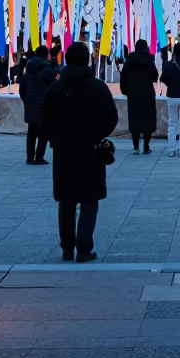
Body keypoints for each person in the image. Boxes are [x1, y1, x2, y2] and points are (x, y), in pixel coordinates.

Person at [42, 41, 118, 262]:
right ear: (88, 60)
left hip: (63, 152)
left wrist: (55, 139)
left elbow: (43, 120)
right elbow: (111, 118)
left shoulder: (55, 88)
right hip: (90, 150)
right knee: (89, 199)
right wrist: (96, 134)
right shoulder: (97, 87)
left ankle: (67, 247)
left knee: (66, 201)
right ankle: (84, 248)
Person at [19, 45, 58, 164]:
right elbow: (53, 89)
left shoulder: (28, 70)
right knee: (43, 133)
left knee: (31, 132)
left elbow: (22, 90)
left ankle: (30, 157)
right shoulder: (49, 71)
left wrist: (27, 101)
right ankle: (39, 157)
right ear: (47, 55)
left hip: (31, 105)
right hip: (44, 106)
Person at [120, 39, 158, 154]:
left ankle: (136, 146)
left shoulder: (130, 60)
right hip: (147, 93)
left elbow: (124, 76)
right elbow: (154, 76)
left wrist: (125, 91)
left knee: (134, 119)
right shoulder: (150, 59)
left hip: (133, 93)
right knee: (148, 120)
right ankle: (146, 146)